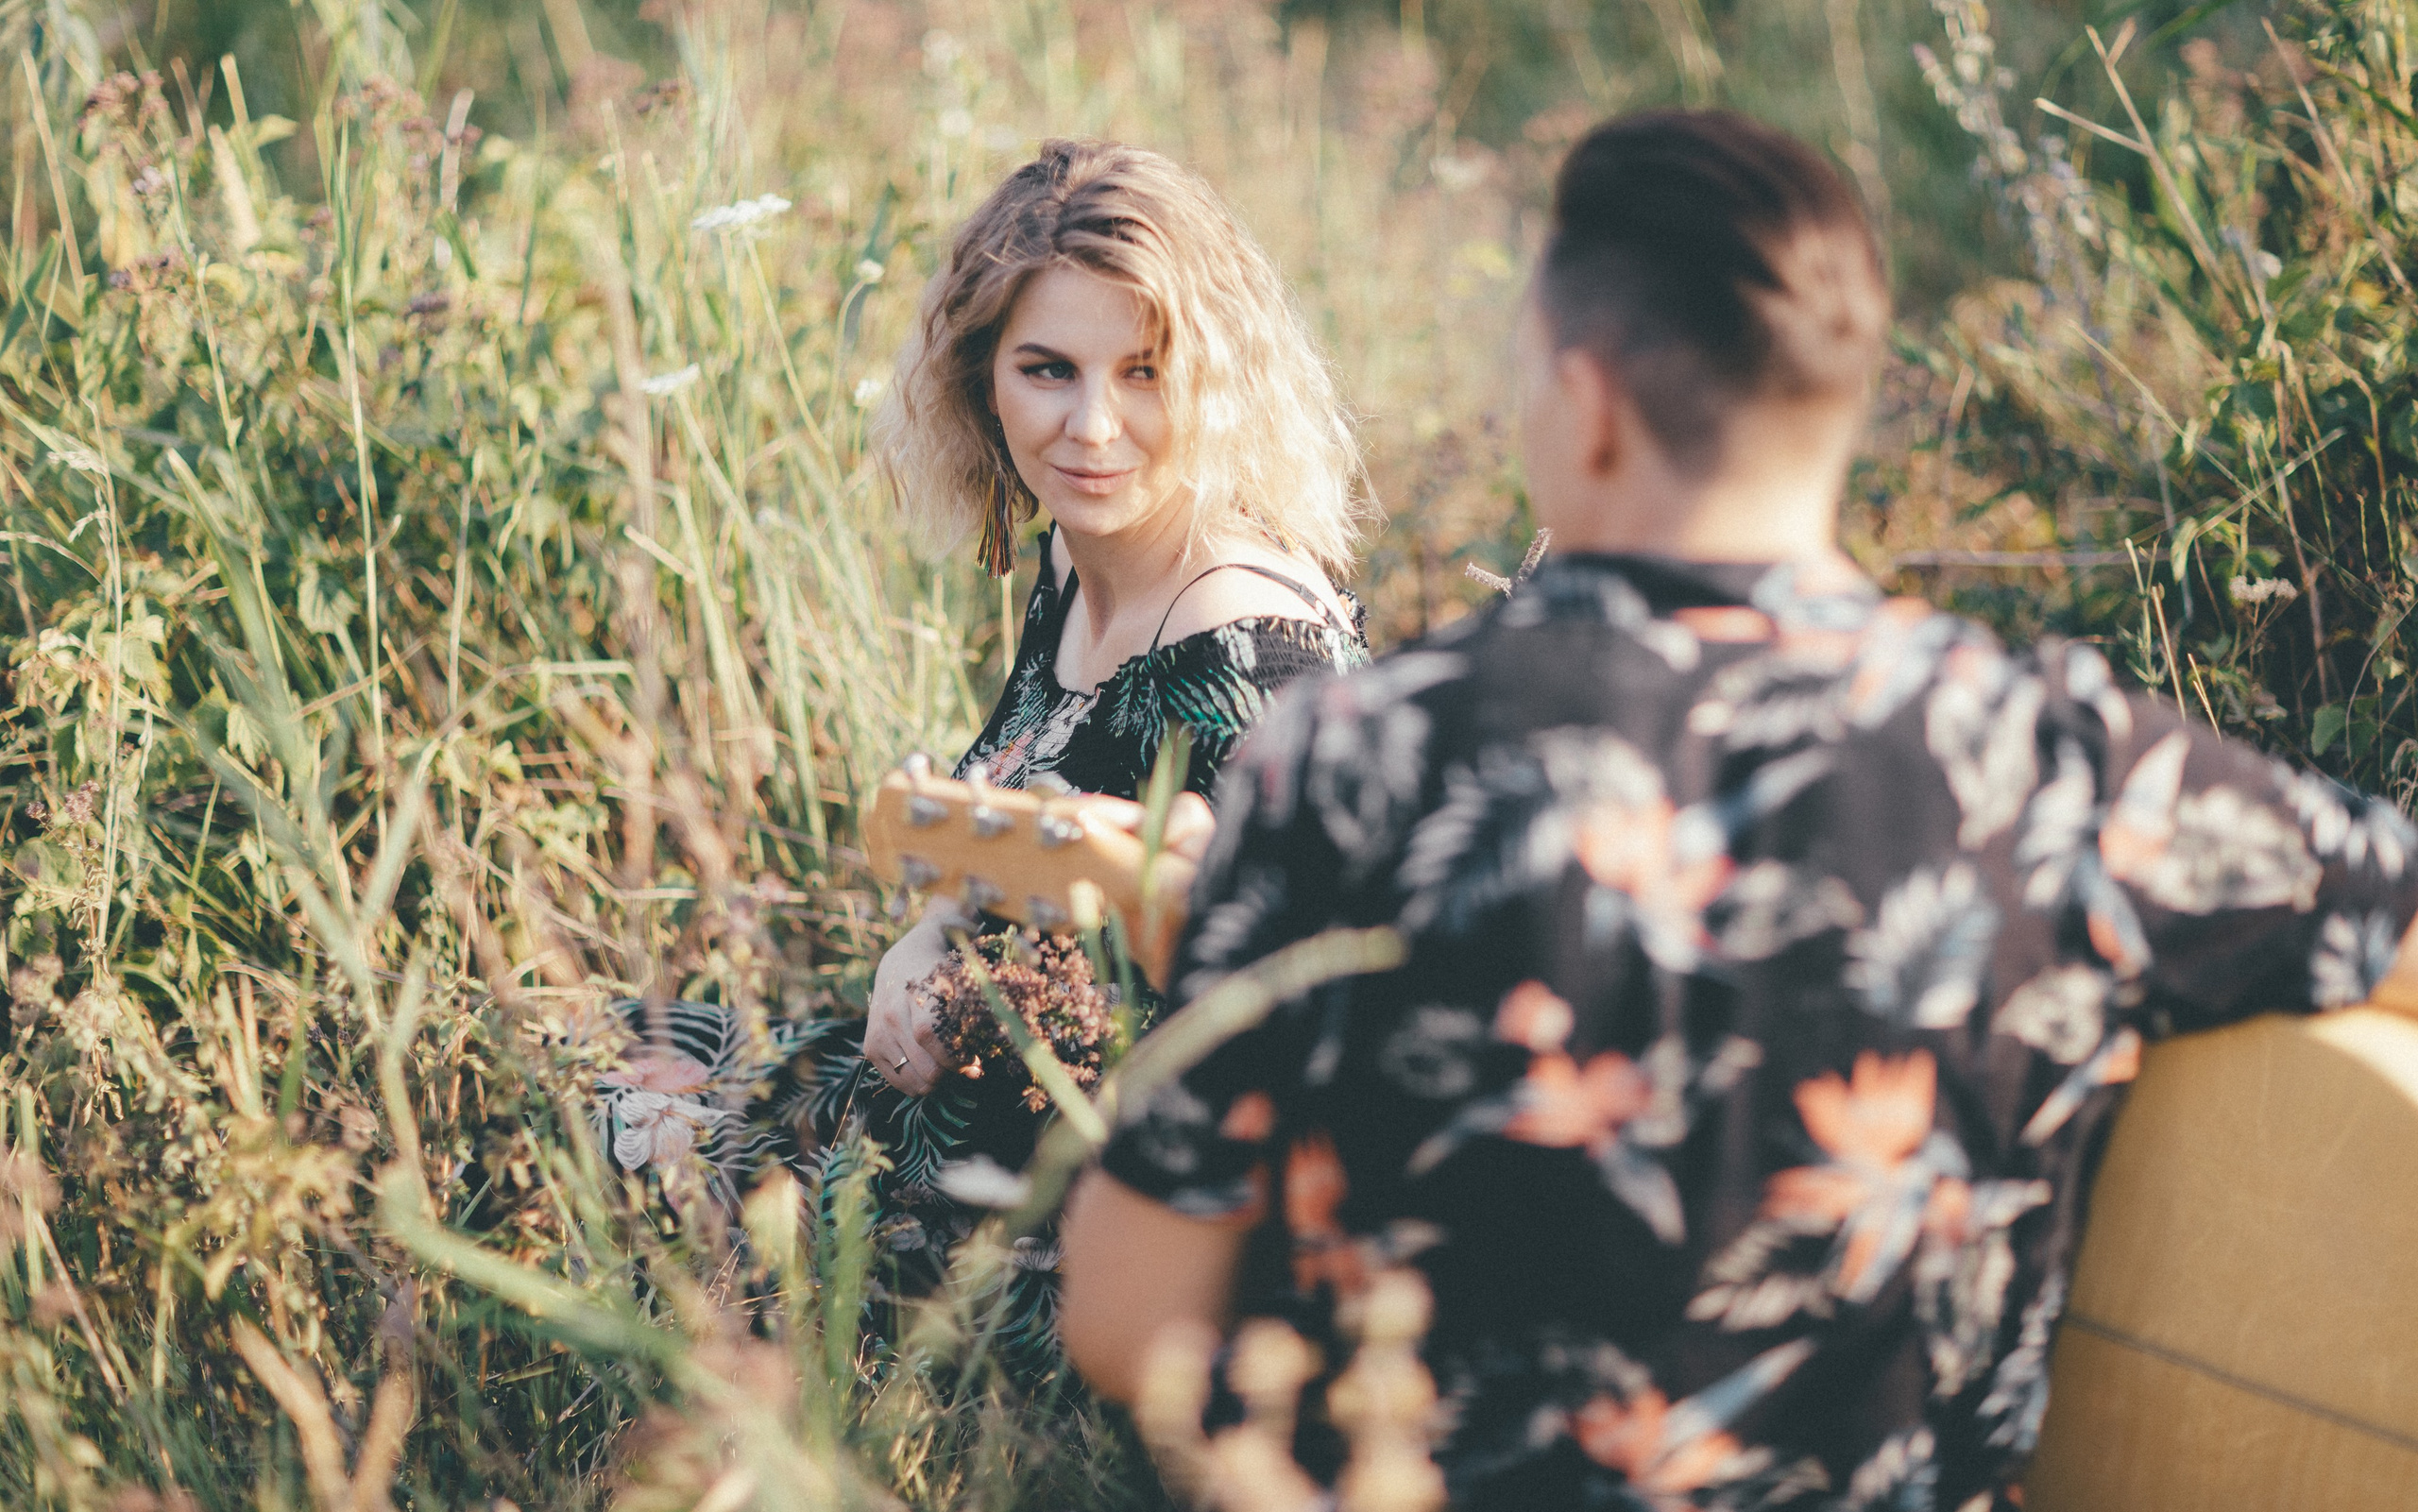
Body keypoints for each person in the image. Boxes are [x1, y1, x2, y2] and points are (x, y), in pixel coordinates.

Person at [1059, 110, 2418, 1509]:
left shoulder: (1357, 752)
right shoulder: (2052, 759)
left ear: (1586, 400)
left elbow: (1125, 1321)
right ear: (1837, 407)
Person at [590, 138, 1371, 1379]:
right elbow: (1020, 826)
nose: (1092, 426)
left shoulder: (1252, 654)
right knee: (606, 1051)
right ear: (981, 379)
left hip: (1073, 1232)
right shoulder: (1077, 555)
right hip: (957, 1109)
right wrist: (926, 941)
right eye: (1047, 369)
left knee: (619, 1136)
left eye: (1147, 372)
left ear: (1218, 382)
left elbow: (1298, 1065)